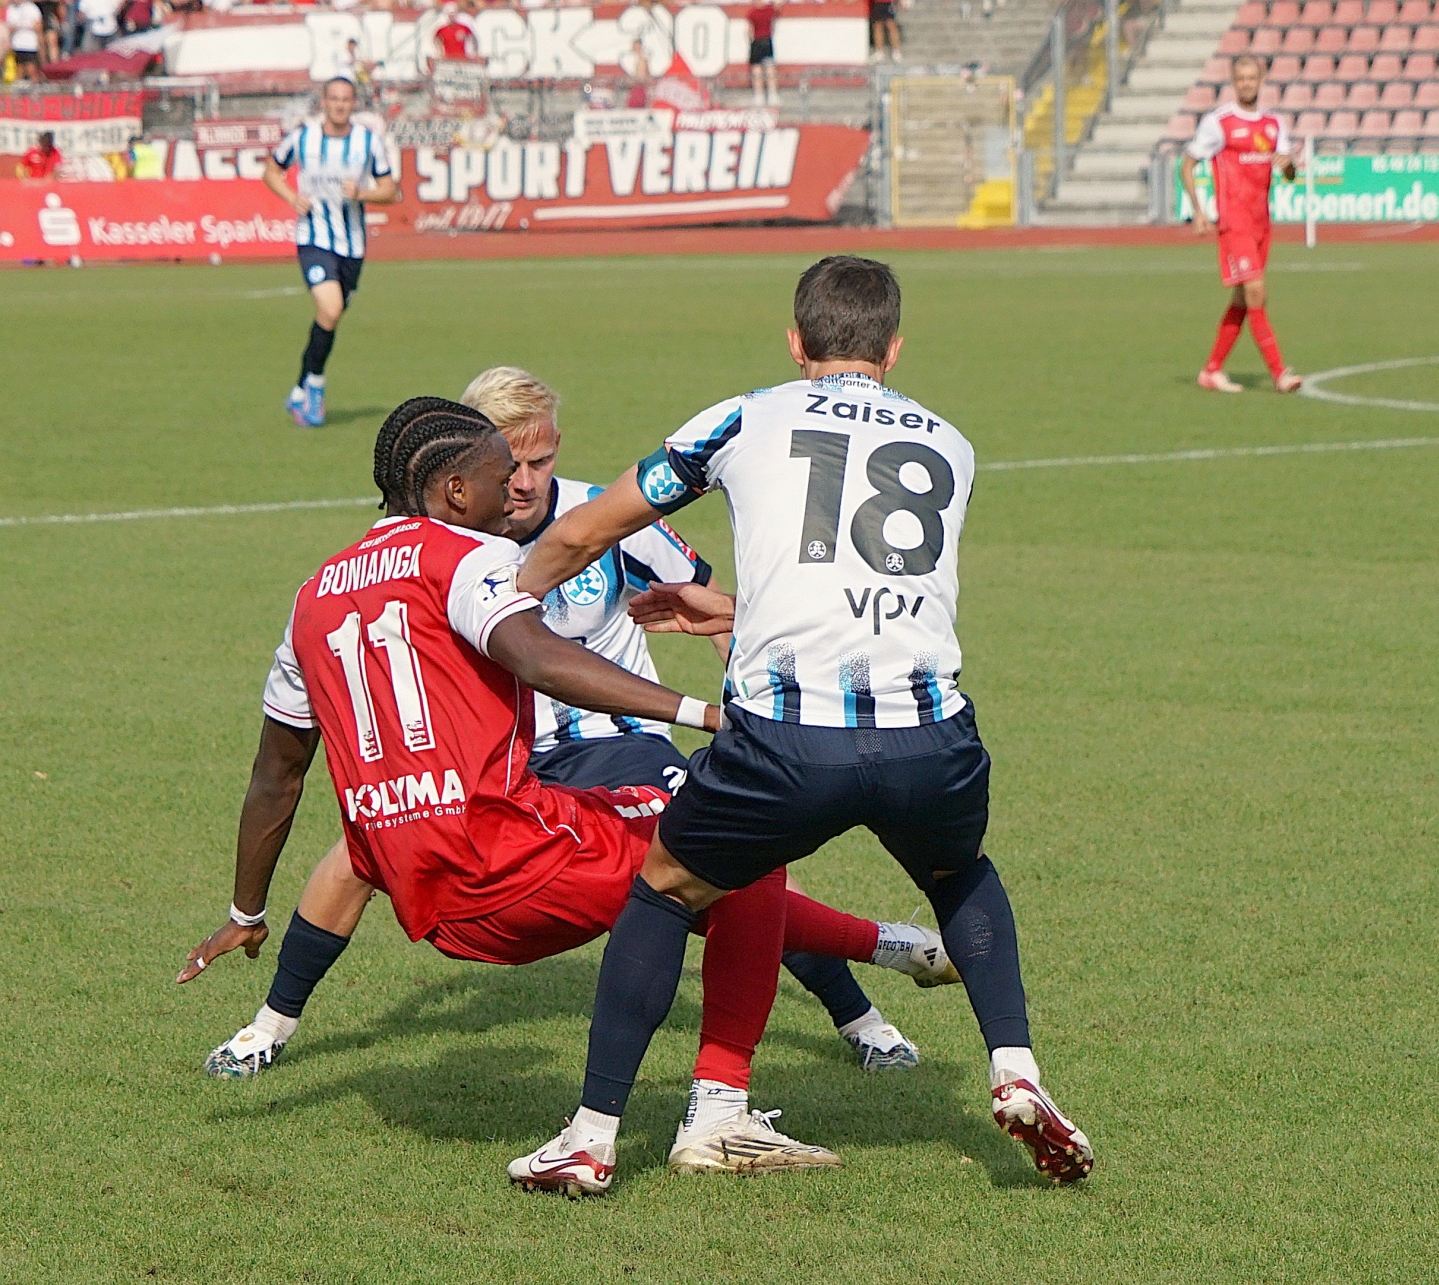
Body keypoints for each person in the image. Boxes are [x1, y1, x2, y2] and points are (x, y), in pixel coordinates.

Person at [175, 399, 956, 1186]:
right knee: (736, 837)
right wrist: (708, 712)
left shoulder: (311, 597)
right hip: (512, 853)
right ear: (454, 490)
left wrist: (246, 911)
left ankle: (891, 954)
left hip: (432, 900)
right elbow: (540, 658)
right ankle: (705, 1114)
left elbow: (276, 774)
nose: (514, 492)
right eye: (498, 475)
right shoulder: (467, 556)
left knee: (693, 876)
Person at [504, 256, 1094, 1194]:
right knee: (960, 876)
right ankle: (1017, 1070)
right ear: (893, 349)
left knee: (665, 891)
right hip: (929, 734)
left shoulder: (745, 415)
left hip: (785, 739)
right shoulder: (952, 443)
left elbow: (582, 532)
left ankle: (590, 1134)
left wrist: (501, 606)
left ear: (795, 342)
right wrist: (733, 608)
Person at [264, 77, 398, 429]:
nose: (339, 105)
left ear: (353, 104)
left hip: (352, 246)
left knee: (330, 318)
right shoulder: (302, 138)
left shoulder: (368, 142)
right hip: (313, 238)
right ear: (323, 102)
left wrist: (363, 193)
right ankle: (316, 387)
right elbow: (271, 171)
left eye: (346, 99)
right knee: (331, 308)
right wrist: (292, 198)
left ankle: (299, 387)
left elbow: (390, 190)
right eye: (334, 98)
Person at [1180, 53, 1302, 395]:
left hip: (1262, 222)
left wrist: (1288, 166)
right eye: (1241, 79)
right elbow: (1187, 166)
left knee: (1243, 299)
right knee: (1256, 292)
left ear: (1261, 80)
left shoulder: (1274, 124)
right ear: (1234, 82)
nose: (1247, 84)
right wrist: (1199, 211)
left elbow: (1290, 174)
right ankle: (1280, 373)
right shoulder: (1219, 122)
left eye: (1252, 78)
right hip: (1235, 223)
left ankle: (1211, 370)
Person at [747, 0, 778, 106]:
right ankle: (772, 94)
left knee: (757, 69)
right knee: (770, 68)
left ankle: (758, 95)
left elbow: (750, 31)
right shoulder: (769, 11)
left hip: (757, 42)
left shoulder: (752, 13)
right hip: (767, 41)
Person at [7, 0, 45, 81]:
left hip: (30, 45)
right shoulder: (11, 9)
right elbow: (9, 26)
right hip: (16, 45)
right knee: (19, 69)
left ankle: (34, 85)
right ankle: (19, 86)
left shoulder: (32, 8)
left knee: (31, 69)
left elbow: (39, 25)